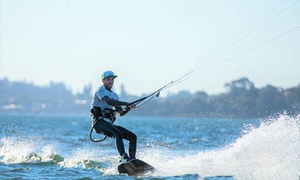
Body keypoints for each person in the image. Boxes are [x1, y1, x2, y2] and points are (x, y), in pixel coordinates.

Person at [90, 70, 136, 163]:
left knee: (133, 137)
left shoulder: (115, 95)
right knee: (118, 133)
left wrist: (128, 108)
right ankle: (123, 157)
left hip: (108, 123)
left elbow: (120, 113)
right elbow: (109, 101)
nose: (110, 81)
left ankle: (132, 160)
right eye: (108, 79)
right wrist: (126, 103)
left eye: (112, 79)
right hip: (98, 123)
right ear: (103, 81)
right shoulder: (100, 90)